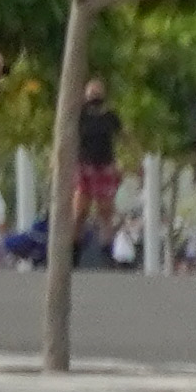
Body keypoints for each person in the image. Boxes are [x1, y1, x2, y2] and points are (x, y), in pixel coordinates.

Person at [72, 78, 121, 266]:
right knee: (79, 212)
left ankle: (107, 253)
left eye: (98, 92)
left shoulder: (110, 116)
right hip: (84, 165)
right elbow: (67, 136)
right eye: (92, 92)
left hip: (104, 165)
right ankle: (74, 252)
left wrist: (134, 161)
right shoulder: (79, 116)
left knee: (105, 212)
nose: (94, 96)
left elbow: (123, 137)